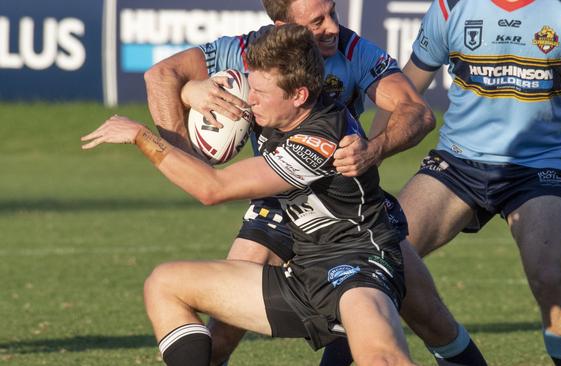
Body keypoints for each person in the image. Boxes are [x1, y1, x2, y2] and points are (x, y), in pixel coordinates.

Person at [144, 0, 487, 365]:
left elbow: (416, 112)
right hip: (277, 203)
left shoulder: (352, 51)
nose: (333, 28)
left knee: (433, 321)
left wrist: (373, 149)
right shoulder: (247, 51)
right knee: (223, 331)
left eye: (333, 14)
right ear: (281, 27)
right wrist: (190, 105)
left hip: (349, 213)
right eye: (317, 21)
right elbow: (161, 76)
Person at [82, 24, 418, 366]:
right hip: (301, 276)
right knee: (163, 284)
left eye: (258, 91)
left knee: (382, 358)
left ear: (299, 95)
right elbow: (166, 78)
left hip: (358, 267)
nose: (249, 98)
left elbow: (213, 188)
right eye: (250, 86)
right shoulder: (277, 104)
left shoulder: (321, 140)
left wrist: (141, 135)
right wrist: (193, 91)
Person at [348, 0, 561, 365]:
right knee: (381, 260)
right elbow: (404, 96)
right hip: (457, 163)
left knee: (549, 277)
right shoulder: (450, 7)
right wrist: (370, 161)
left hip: (537, 169)